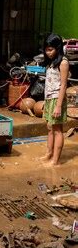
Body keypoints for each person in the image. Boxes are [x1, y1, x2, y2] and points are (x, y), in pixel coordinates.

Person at [41, 33, 69, 166]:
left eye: (50, 49)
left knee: (57, 129)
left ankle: (55, 160)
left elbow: (63, 85)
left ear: (58, 48)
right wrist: (45, 102)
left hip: (57, 99)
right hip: (49, 98)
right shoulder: (51, 63)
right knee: (49, 128)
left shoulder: (63, 63)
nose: (48, 52)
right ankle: (48, 154)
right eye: (46, 49)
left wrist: (58, 106)